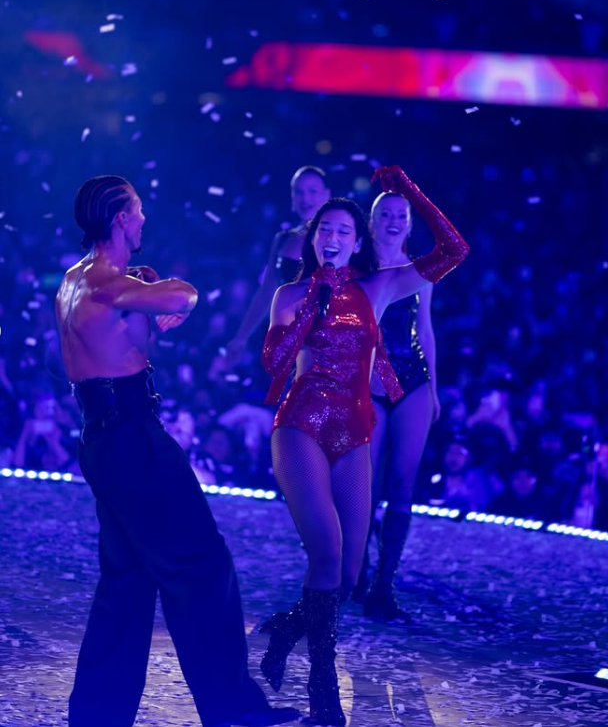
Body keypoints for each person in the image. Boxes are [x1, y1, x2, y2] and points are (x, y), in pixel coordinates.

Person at [55, 175, 297, 727]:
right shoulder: (107, 283)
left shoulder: (74, 280)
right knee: (202, 565)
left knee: (128, 580)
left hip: (103, 436)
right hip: (133, 437)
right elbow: (184, 295)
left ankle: (96, 717)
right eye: (138, 210)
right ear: (121, 218)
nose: (144, 219)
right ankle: (231, 708)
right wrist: (159, 285)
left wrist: (146, 298)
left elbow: (127, 344)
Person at [258, 166, 469, 726]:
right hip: (300, 425)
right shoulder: (289, 293)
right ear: (314, 238)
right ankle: (323, 695)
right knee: (326, 554)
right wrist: (313, 301)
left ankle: (286, 630)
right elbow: (274, 366)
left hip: (354, 433)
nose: (332, 237)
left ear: (358, 244)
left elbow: (455, 249)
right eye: (324, 229)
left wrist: (410, 189)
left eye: (343, 232)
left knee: (348, 578)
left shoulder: (378, 288)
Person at [351, 189, 441, 622]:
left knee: (403, 482)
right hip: (368, 383)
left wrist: (434, 388)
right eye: (384, 214)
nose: (392, 221)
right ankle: (360, 569)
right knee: (365, 484)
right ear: (371, 222)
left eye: (400, 215)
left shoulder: (422, 271)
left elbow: (426, 330)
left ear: (409, 223)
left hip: (413, 382)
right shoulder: (357, 268)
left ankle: (384, 586)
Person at [222, 166, 331, 368]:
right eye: (299, 192)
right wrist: (241, 338)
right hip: (284, 339)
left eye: (312, 191)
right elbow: (266, 294)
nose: (305, 198)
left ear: (327, 195)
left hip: (322, 341)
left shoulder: (336, 239)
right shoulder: (283, 239)